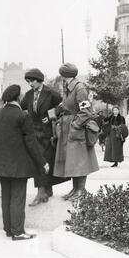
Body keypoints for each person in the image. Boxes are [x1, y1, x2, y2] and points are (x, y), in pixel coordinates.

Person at [0, 85, 48, 240]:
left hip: (1, 165)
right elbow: (31, 143)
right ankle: (18, 232)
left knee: (6, 196)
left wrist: (1, 150)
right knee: (18, 197)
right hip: (19, 165)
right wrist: (42, 162)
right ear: (18, 97)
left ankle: (9, 230)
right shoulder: (23, 116)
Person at [20, 68, 69, 206]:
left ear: (39, 80)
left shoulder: (51, 93)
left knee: (46, 160)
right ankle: (44, 191)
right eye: (28, 81)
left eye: (32, 81)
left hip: (48, 133)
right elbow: (21, 107)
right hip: (34, 132)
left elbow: (63, 106)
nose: (30, 84)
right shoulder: (29, 94)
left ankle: (43, 192)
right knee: (39, 160)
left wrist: (49, 116)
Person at [54, 63, 99, 201]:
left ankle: (81, 190)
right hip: (68, 126)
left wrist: (75, 125)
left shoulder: (79, 88)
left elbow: (86, 111)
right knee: (72, 160)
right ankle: (75, 189)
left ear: (64, 75)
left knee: (80, 160)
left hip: (76, 128)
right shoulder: (69, 88)